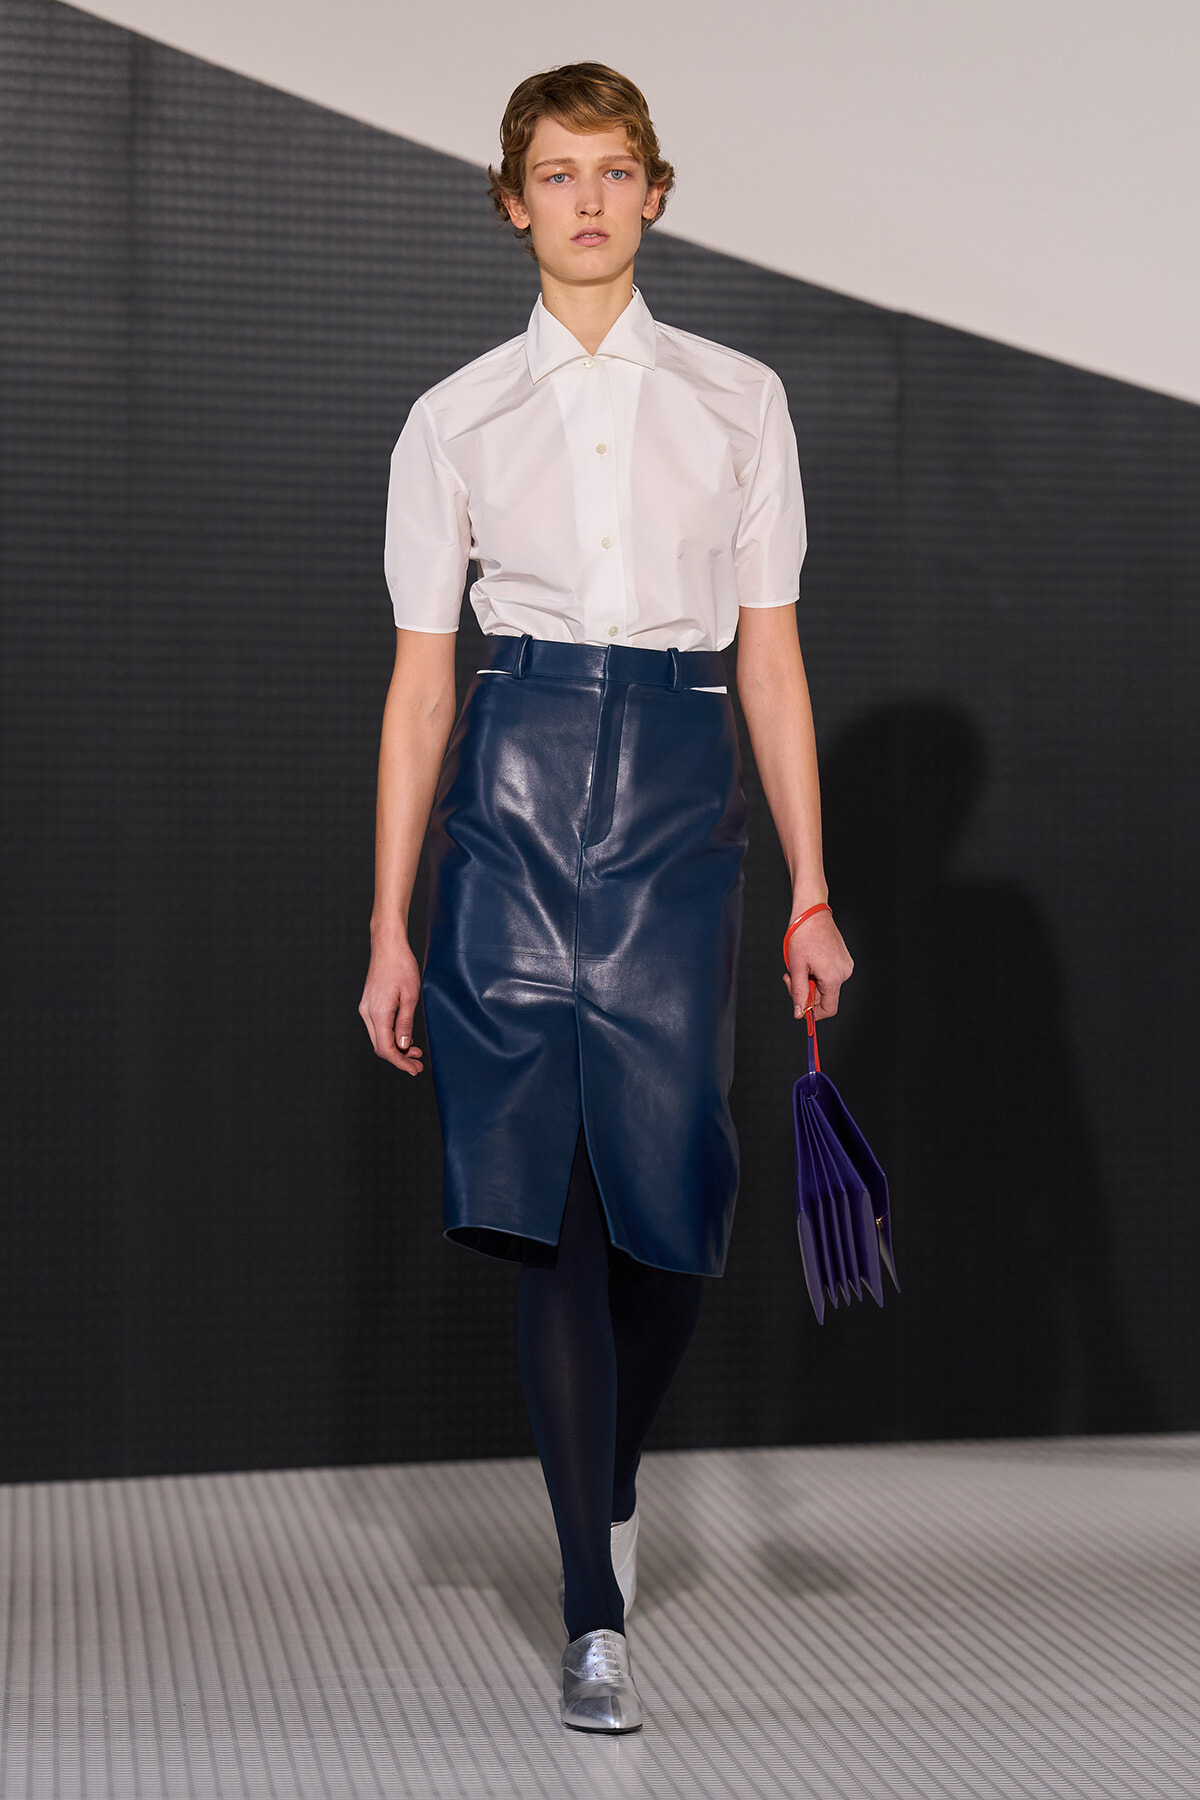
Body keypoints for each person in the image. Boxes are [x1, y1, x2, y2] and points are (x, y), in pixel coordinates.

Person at [359, 61, 853, 1733]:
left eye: (613, 169)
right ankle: (593, 1611)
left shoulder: (739, 398)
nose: (583, 198)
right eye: (553, 173)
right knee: (552, 1215)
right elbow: (423, 686)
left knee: (675, 1208)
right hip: (505, 799)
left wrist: (810, 889)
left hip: (671, 797)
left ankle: (608, 1483)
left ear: (655, 192)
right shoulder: (456, 416)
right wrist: (386, 925)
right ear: (512, 201)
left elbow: (773, 659)